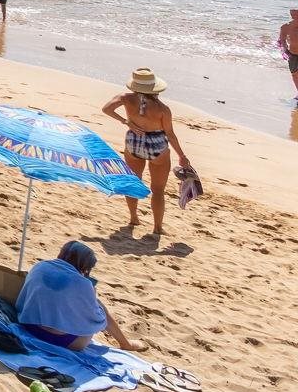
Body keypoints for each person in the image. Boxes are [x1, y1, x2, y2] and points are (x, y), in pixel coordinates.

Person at [103, 68, 194, 239]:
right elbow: (170, 134)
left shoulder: (125, 98)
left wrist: (126, 121)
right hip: (156, 145)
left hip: (134, 143)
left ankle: (133, 218)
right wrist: (182, 156)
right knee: (158, 189)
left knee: (133, 182)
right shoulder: (162, 109)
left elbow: (106, 109)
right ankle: (157, 227)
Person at [14, 241, 143, 351]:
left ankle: (126, 343)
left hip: (28, 326)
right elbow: (97, 319)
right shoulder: (83, 283)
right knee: (100, 307)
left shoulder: (39, 266)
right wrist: (91, 293)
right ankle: (125, 344)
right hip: (62, 340)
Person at [280, 9, 298, 94]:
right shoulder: (285, 27)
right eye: (294, 14)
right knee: (294, 74)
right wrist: (284, 50)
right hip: (292, 54)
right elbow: (282, 40)